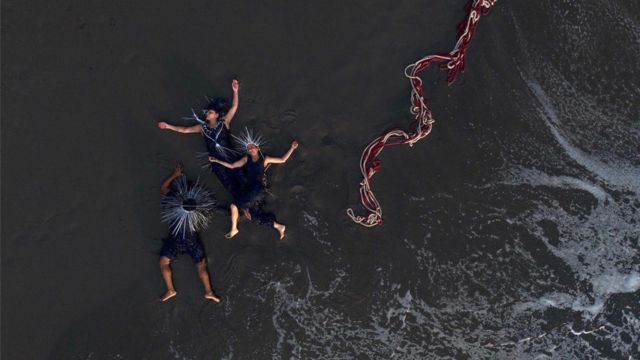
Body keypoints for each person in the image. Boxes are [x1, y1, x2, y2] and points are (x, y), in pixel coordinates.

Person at [157, 80, 245, 199]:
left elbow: (234, 107)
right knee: (229, 185)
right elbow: (184, 130)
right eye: (207, 112)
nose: (207, 114)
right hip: (217, 163)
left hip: (231, 157)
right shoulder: (202, 128)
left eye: (210, 112)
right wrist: (168, 126)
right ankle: (243, 205)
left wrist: (235, 91)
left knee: (242, 177)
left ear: (217, 115)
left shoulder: (224, 123)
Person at [209, 130, 299, 240]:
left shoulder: (265, 159)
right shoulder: (246, 159)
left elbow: (282, 159)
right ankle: (279, 226)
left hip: (258, 190)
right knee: (254, 216)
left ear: (258, 149)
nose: (251, 149)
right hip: (251, 191)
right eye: (249, 148)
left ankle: (234, 229)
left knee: (234, 206)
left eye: (253, 147)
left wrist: (292, 148)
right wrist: (217, 161)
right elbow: (232, 166)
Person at [158, 163, 221, 303]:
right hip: (192, 239)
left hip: (175, 239)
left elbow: (163, 188)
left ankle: (170, 289)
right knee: (201, 264)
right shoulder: (198, 208)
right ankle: (209, 291)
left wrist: (174, 175)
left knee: (164, 262)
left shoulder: (173, 200)